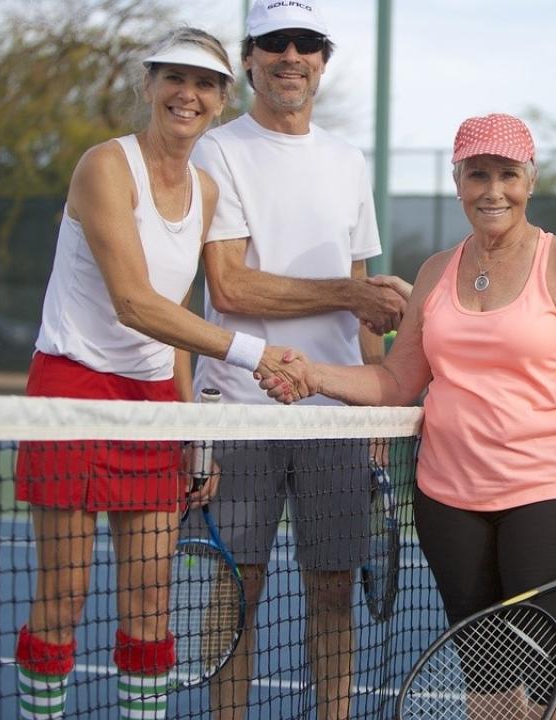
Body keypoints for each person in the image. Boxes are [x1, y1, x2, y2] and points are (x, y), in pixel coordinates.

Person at [262, 112, 556, 720]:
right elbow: (396, 382)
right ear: (458, 180)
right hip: (447, 504)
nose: (493, 190)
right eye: (478, 175)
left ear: (530, 178)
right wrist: (314, 375)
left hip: (540, 500)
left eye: (508, 175)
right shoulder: (437, 272)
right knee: (486, 679)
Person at [11, 28, 301, 720]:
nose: (187, 94)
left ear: (222, 100)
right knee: (63, 595)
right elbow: (134, 303)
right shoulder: (105, 167)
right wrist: (253, 353)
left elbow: (170, 318)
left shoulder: (205, 190)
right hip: (74, 389)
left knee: (150, 599)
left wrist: (189, 425)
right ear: (148, 86)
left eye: (204, 84)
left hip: (152, 405)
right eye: (174, 77)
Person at [185, 1, 410, 718]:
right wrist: (345, 290)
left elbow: (368, 303)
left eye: (305, 43)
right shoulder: (216, 151)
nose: (290, 55)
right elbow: (229, 284)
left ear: (323, 58)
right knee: (236, 585)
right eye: (274, 42)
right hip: (242, 411)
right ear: (249, 56)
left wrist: (374, 406)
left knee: (333, 590)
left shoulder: (348, 162)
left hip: (335, 419)